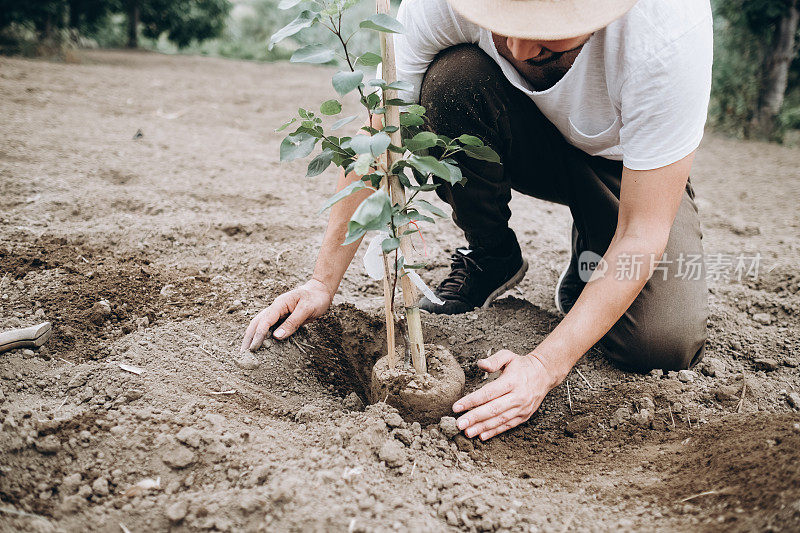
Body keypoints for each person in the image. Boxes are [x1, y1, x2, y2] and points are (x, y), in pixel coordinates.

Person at [243, 0, 713, 441]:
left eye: (549, 38)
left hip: (622, 167)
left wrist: (545, 366)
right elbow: (379, 132)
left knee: (659, 343)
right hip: (514, 129)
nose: (520, 49)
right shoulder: (445, 4)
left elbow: (642, 230)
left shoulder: (667, 33)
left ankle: (593, 243)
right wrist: (322, 282)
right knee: (451, 80)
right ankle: (492, 256)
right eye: (507, 25)